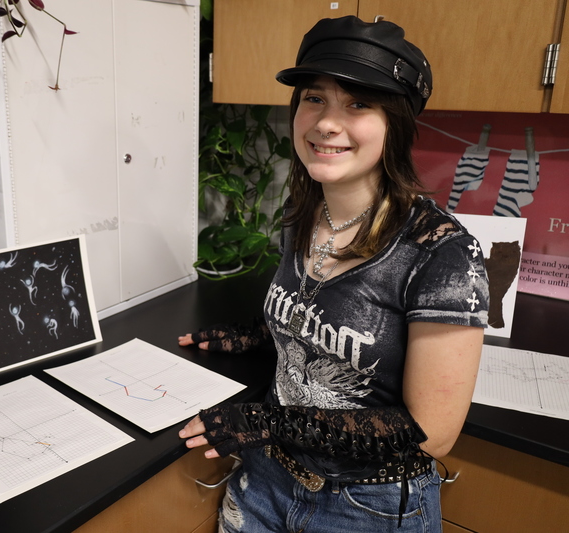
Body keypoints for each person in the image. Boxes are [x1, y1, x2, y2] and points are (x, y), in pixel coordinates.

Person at [178, 15, 489, 533]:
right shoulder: (303, 214)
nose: (326, 122)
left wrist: (263, 419)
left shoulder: (442, 253)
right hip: (264, 484)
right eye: (314, 98)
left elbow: (430, 433)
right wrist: (256, 336)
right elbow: (325, 329)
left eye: (359, 103)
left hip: (367, 508)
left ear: (397, 124)